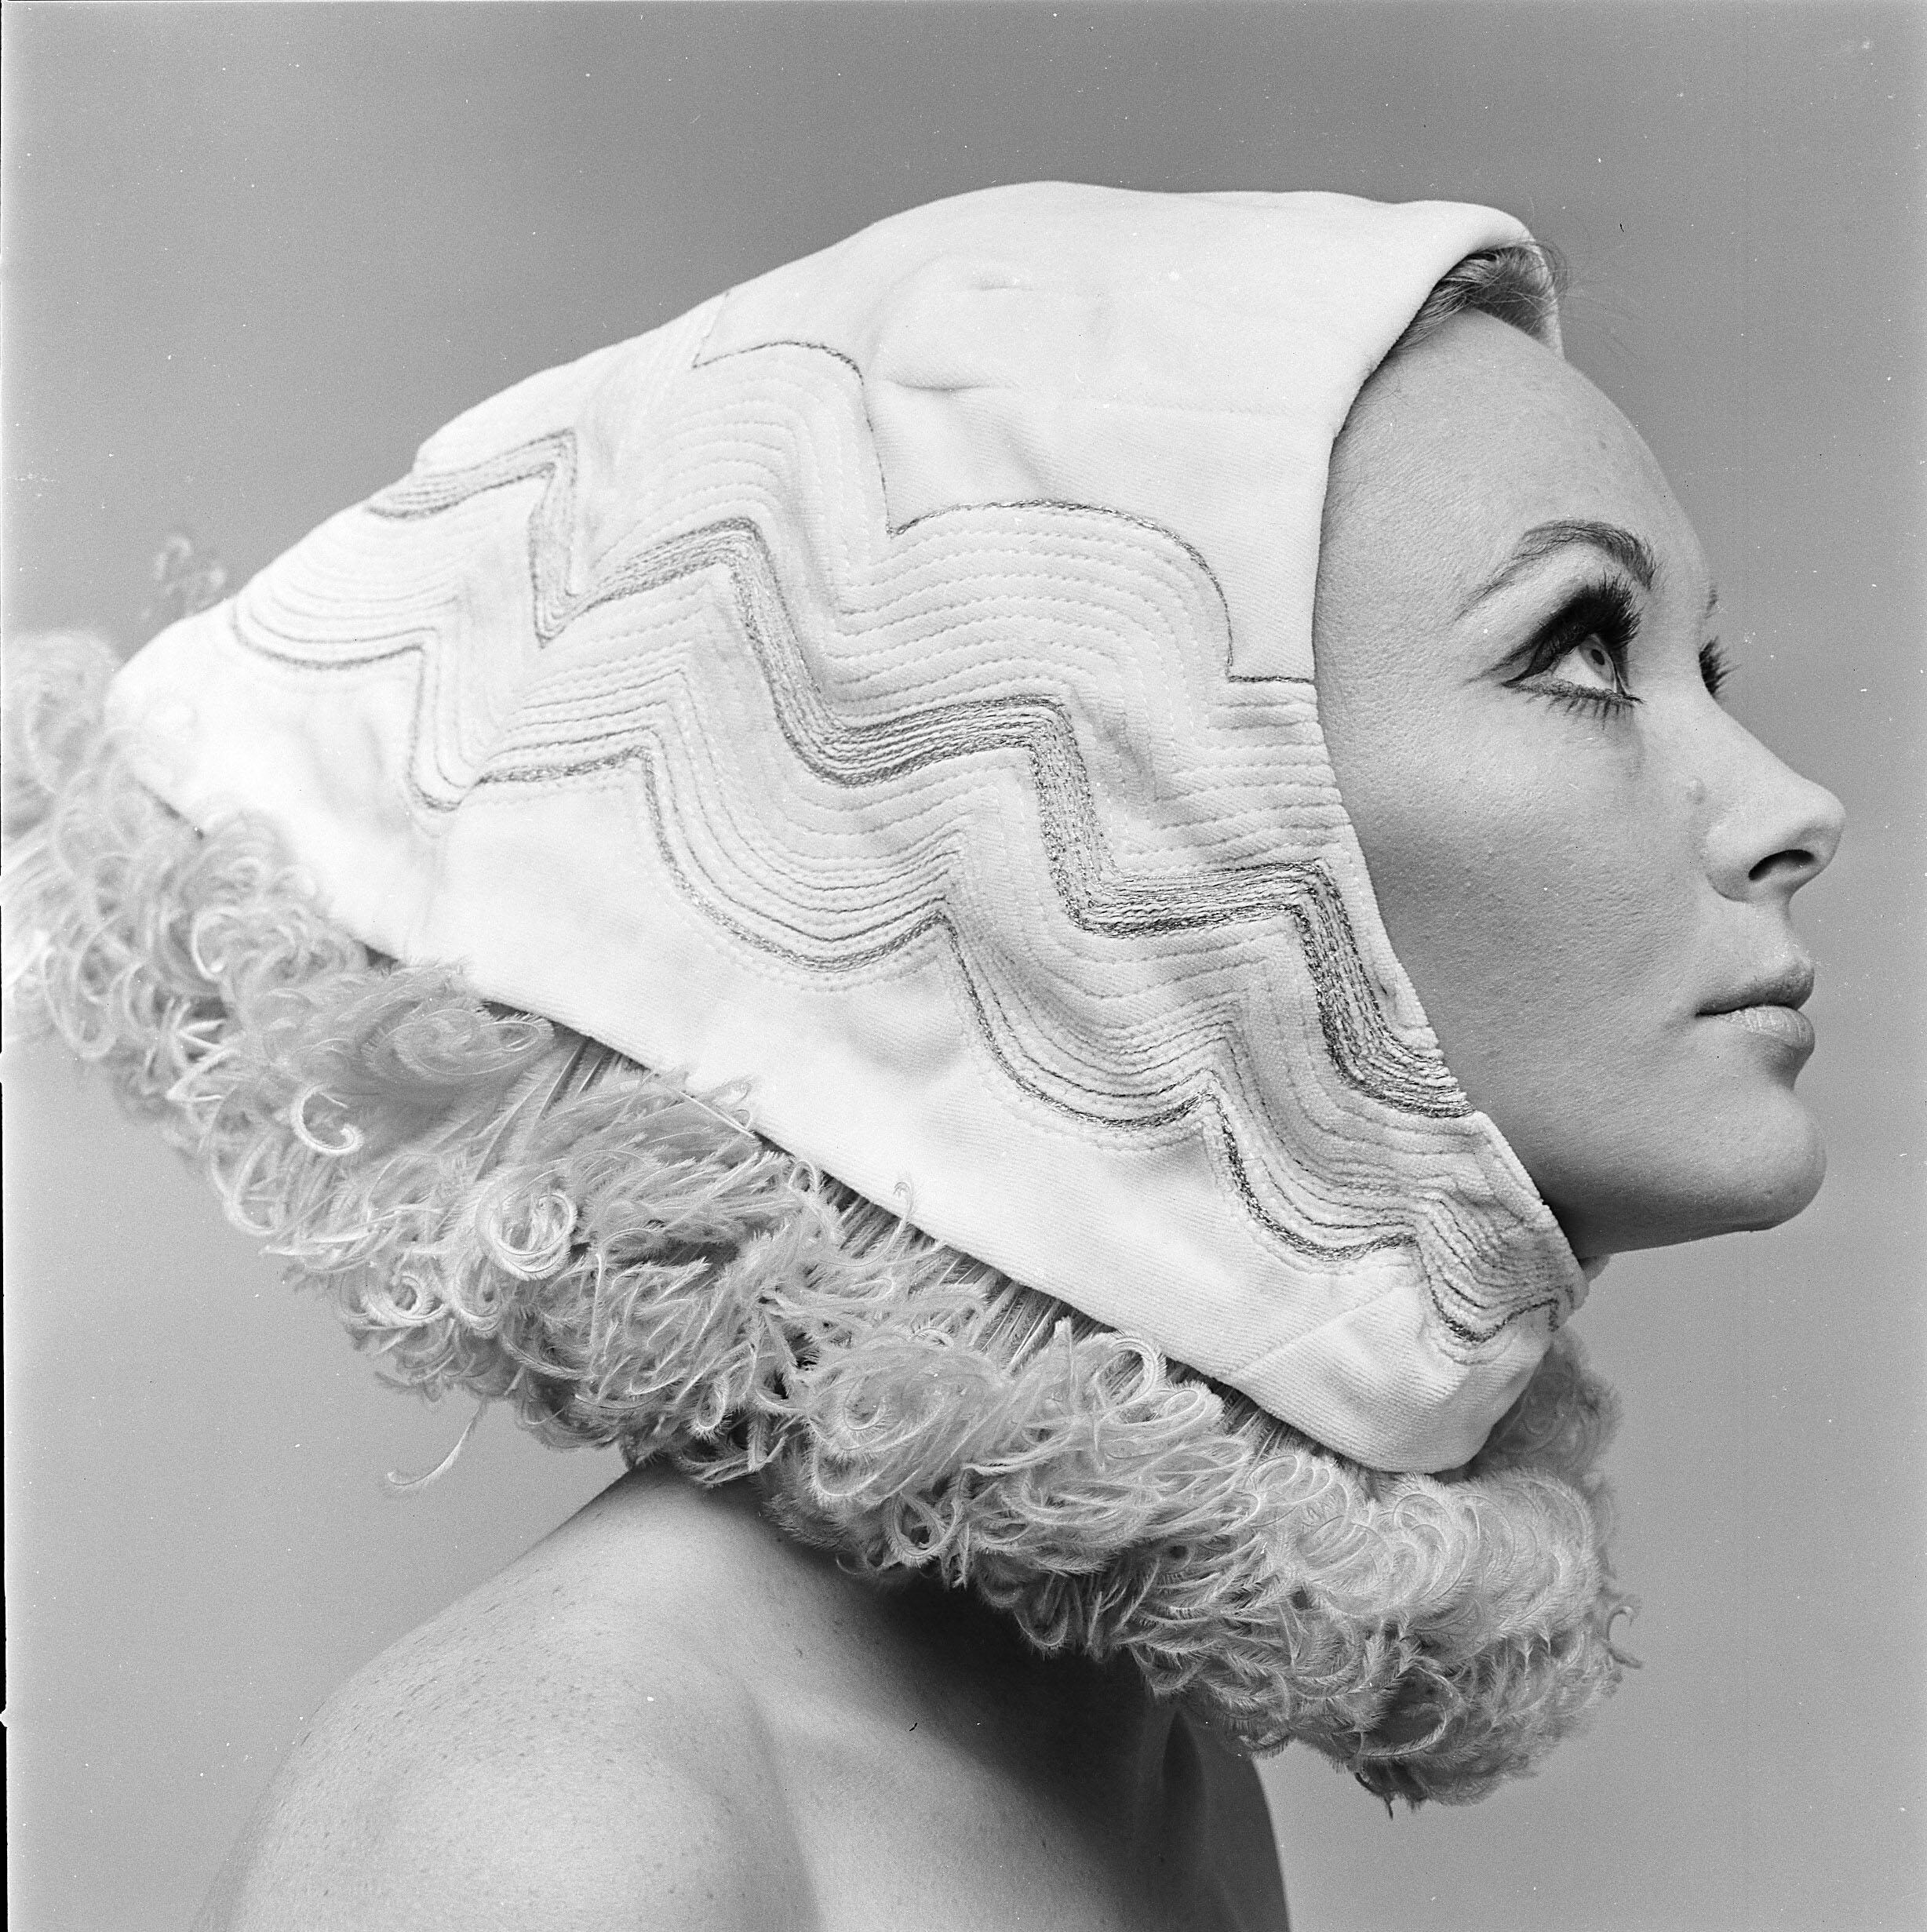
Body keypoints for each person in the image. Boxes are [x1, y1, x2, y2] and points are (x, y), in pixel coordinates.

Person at [4, 182, 1842, 1930]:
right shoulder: (550, 1811)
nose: (1788, 808)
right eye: (1578, 650)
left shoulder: (1143, 1748)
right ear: (1130, 837)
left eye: (1708, 666)